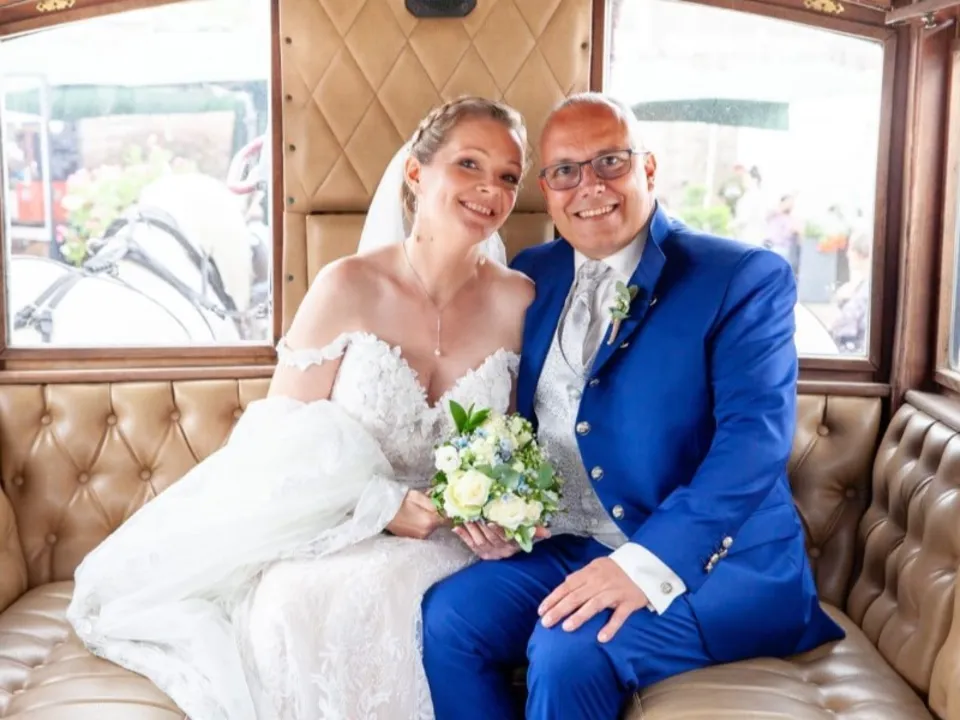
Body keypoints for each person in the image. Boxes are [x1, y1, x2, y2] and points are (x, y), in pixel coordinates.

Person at [65, 95, 535, 720]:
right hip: (340, 522)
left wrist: (503, 510)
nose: (490, 190)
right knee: (296, 598)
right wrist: (380, 506)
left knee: (411, 598)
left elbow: (516, 441)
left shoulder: (520, 301)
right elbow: (275, 443)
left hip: (453, 540)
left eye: (508, 176)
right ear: (416, 173)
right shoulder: (346, 285)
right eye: (469, 164)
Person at [421, 92, 845, 720]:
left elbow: (752, 445)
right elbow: (520, 418)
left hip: (719, 566)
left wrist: (646, 564)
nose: (589, 186)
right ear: (547, 189)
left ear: (647, 168)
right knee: (450, 618)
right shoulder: (533, 274)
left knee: (567, 651)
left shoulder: (740, 276)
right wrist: (501, 512)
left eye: (610, 162)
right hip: (571, 545)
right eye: (566, 171)